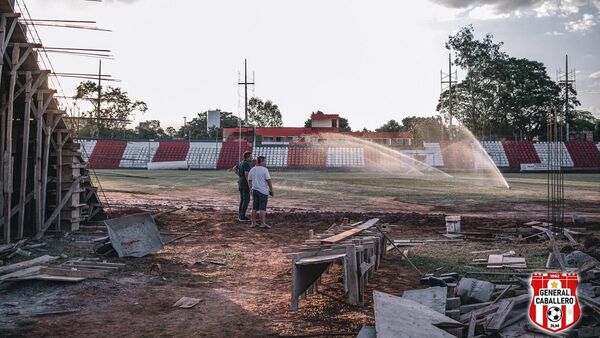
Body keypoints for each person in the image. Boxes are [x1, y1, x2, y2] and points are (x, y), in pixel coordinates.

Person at [248, 156, 273, 229]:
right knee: (262, 208)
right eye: (264, 161)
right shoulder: (264, 169)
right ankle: (262, 223)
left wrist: (251, 190)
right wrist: (271, 190)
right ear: (261, 161)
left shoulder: (252, 169)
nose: (265, 163)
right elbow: (268, 180)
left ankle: (253, 223)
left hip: (254, 190)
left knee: (254, 208)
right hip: (262, 191)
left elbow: (249, 181)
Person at [232, 151, 252, 222]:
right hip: (245, 184)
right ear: (248, 157)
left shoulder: (241, 162)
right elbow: (246, 174)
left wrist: (240, 176)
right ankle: (242, 216)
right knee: (246, 200)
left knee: (243, 200)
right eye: (251, 156)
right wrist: (249, 183)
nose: (252, 158)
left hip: (240, 183)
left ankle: (240, 215)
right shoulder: (246, 163)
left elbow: (234, 168)